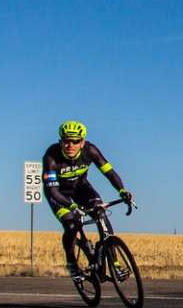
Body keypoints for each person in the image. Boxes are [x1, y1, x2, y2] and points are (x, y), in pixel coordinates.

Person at [42, 120, 135, 282]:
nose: (70, 145)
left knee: (101, 213)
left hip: (81, 189)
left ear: (82, 142)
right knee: (71, 225)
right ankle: (72, 264)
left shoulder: (90, 151)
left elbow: (109, 172)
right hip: (59, 195)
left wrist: (122, 191)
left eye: (75, 141)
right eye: (66, 141)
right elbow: (52, 191)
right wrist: (72, 207)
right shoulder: (51, 157)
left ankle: (116, 264)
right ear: (60, 142)